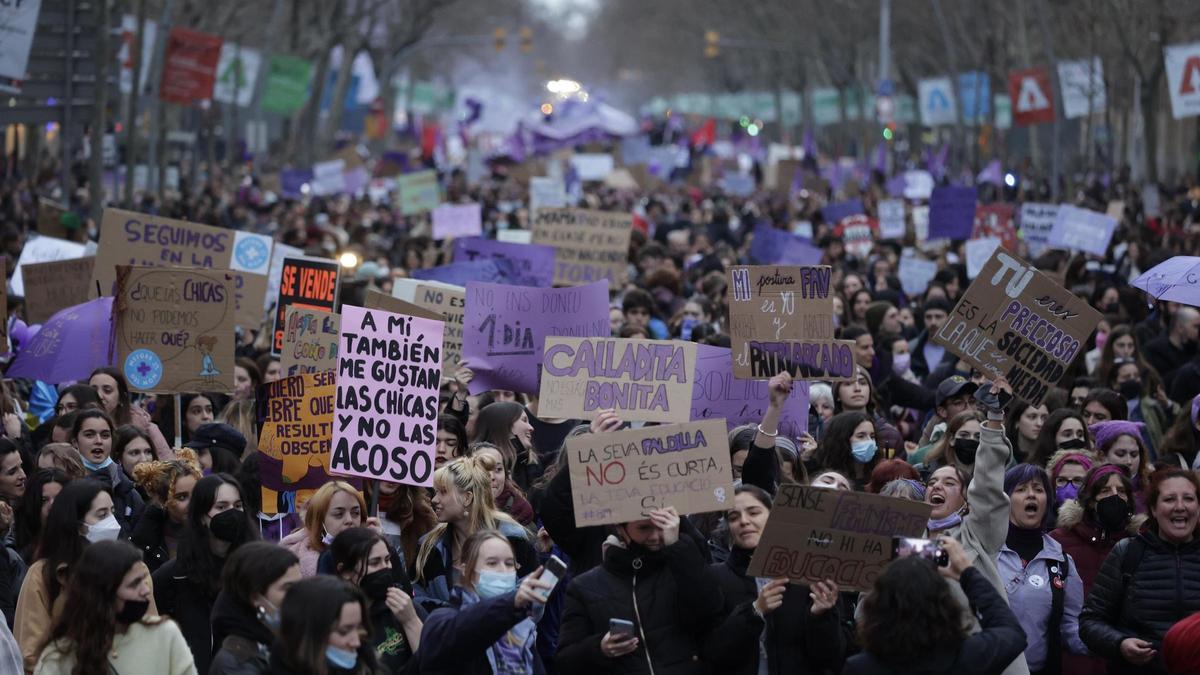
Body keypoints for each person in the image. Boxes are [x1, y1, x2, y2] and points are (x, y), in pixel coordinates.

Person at [925, 378, 1028, 675]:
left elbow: (987, 483)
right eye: (932, 482)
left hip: (982, 660)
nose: (937, 486)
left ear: (965, 500)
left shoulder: (977, 534)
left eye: (949, 482)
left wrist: (994, 420)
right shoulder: (908, 539)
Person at [556, 506, 725, 673]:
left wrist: (678, 547)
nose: (654, 536)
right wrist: (600, 649)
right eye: (644, 528)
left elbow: (711, 608)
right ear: (621, 529)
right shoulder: (584, 587)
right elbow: (565, 661)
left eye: (661, 525)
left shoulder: (682, 567)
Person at [702, 484, 844, 673]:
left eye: (753, 513)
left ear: (773, 516)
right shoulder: (716, 577)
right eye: (734, 517)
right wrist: (754, 611)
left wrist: (820, 617)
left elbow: (832, 657)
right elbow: (713, 652)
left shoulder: (808, 575)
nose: (744, 521)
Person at [846, 536, 1027, 674]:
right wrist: (967, 573)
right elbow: (1012, 632)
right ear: (946, 605)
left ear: (877, 607)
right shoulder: (967, 657)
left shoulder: (860, 667)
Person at [1080, 469, 1200, 674]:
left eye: (1188, 498)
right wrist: (1120, 644)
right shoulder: (1127, 553)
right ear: (1153, 508)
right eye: (1170, 499)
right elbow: (1090, 622)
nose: (1180, 507)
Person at [14, 480, 140, 673]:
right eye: (102, 514)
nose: (112, 523)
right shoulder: (44, 574)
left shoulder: (134, 571)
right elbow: (30, 651)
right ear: (78, 525)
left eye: (112, 512)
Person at [33, 540, 195, 675]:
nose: (145, 590)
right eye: (134, 584)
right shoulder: (59, 657)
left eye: (143, 580)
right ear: (103, 595)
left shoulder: (165, 635)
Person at [153, 473, 257, 674]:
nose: (232, 513)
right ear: (202, 516)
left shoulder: (257, 570)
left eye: (237, 506)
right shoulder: (173, 576)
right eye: (221, 507)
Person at [417, 529, 553, 674]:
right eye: (492, 563)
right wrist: (510, 603)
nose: (503, 570)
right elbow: (469, 627)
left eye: (509, 563)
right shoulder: (444, 619)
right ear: (465, 570)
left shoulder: (521, 629)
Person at [412, 457, 536, 612]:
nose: (434, 499)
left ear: (467, 498)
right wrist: (450, 615)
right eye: (435, 492)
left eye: (443, 492)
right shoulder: (429, 545)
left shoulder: (512, 539)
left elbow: (533, 600)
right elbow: (415, 595)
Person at [997, 464, 1088, 674]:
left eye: (1038, 490)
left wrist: (1112, 643)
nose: (1031, 495)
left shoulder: (1061, 561)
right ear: (1005, 500)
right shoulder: (986, 552)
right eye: (1020, 490)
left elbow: (1071, 627)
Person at [330, 527, 423, 674]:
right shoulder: (335, 620)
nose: (385, 568)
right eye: (375, 562)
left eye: (387, 560)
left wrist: (411, 621)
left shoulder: (404, 607)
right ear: (345, 572)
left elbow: (435, 664)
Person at [210, 542, 301, 675]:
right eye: (287, 588)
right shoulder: (235, 662)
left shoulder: (288, 642)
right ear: (255, 597)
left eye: (300, 585)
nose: (300, 594)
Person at [263, 575, 383, 674]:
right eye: (343, 632)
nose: (356, 642)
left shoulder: (367, 665)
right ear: (306, 633)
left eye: (359, 628)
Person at [280, 481, 375, 577]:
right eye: (339, 514)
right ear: (319, 520)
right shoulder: (291, 562)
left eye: (356, 513)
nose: (349, 520)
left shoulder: (376, 552)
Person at [71, 409, 144, 532]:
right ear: (75, 442)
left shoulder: (127, 491)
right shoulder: (65, 484)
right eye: (89, 435)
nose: (98, 441)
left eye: (105, 435)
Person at [130, 450, 203, 572]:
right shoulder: (146, 539)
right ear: (162, 500)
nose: (193, 503)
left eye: (196, 493)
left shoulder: (212, 529)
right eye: (181, 497)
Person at [472, 402, 542, 491]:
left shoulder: (531, 463)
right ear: (506, 425)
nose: (531, 428)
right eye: (524, 420)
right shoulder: (474, 465)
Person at [808, 411, 880, 489]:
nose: (869, 441)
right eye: (861, 436)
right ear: (842, 439)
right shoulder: (819, 471)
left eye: (872, 436)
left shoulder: (879, 475)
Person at [470, 442, 535, 526]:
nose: (491, 476)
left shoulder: (522, 512)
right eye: (483, 468)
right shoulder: (453, 510)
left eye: (498, 469)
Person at [14, 469, 69, 563]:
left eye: (59, 498)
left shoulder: (80, 545)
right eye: (44, 500)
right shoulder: (19, 549)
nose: (52, 506)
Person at [912, 410, 982, 481]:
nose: (971, 439)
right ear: (951, 439)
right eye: (964, 435)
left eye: (978, 437)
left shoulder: (990, 476)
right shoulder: (924, 473)